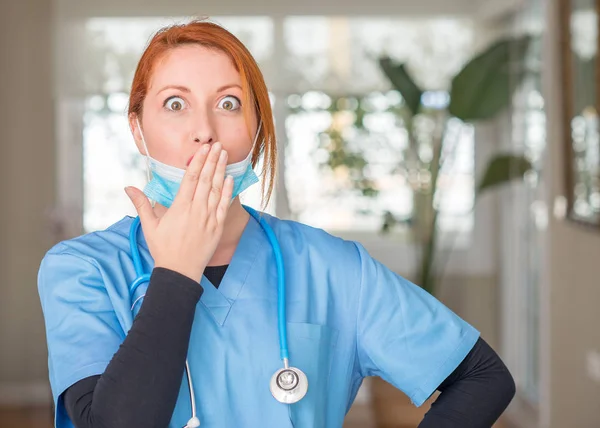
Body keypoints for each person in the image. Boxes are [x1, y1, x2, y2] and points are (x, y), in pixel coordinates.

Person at [37, 19, 515, 428]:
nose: (204, 130)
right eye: (175, 104)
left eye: (228, 103)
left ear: (257, 129)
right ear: (137, 129)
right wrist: (177, 272)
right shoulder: (81, 270)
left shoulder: (332, 267)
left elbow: (483, 377)